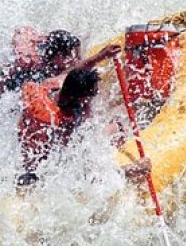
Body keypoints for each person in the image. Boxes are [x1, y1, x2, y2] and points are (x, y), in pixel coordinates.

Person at [17, 67, 151, 185]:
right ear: (76, 99)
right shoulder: (59, 123)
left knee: (117, 127)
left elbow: (74, 72)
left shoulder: (47, 88)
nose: (94, 97)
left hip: (26, 150)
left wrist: (101, 55)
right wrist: (129, 169)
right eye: (91, 95)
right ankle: (131, 171)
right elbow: (81, 168)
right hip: (40, 172)